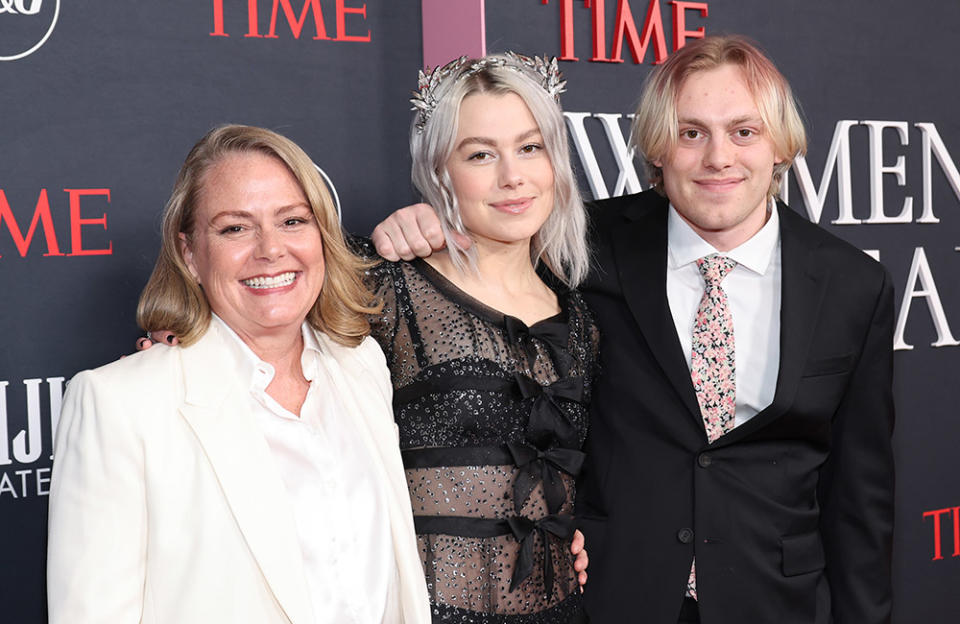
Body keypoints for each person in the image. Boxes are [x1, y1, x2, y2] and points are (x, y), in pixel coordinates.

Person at [371, 36, 896, 624]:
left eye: (743, 131)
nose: (718, 157)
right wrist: (426, 220)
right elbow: (490, 249)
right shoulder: (580, 246)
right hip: (610, 596)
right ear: (656, 148)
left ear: (780, 146)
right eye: (691, 133)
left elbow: (859, 497)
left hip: (778, 602)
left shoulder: (853, 284)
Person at [137, 55, 592, 624]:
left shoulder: (582, 316)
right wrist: (181, 341)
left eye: (531, 147)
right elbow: (258, 296)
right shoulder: (380, 285)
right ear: (439, 169)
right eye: (480, 154)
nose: (513, 176)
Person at [47, 125, 431, 624]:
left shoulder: (362, 365)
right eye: (235, 228)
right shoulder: (120, 404)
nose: (270, 249)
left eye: (293, 221)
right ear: (190, 254)